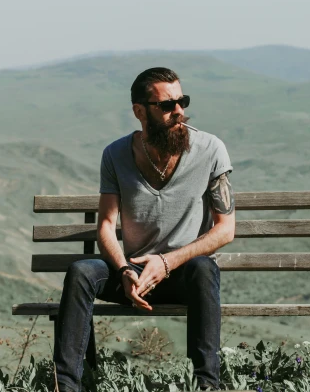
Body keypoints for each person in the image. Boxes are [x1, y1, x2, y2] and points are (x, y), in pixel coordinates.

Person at [53, 67, 236, 392]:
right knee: (81, 271)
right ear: (140, 111)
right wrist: (123, 269)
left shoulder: (210, 150)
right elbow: (107, 225)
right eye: (167, 105)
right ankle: (65, 387)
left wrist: (166, 263)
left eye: (182, 101)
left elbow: (225, 231)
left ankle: (208, 387)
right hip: (133, 277)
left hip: (183, 275)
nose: (179, 111)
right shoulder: (115, 154)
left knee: (204, 269)